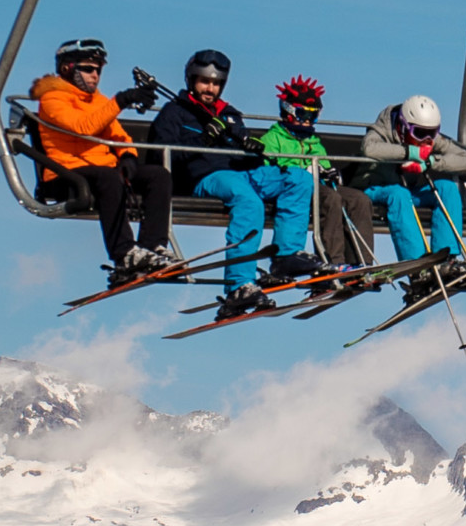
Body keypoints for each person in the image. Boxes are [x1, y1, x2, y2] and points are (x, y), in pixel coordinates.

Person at [149, 50, 321, 317]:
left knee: (298, 178)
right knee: (248, 201)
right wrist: (203, 140)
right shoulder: (175, 113)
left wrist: (250, 146)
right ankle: (240, 283)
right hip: (206, 175)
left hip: (243, 170)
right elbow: (161, 153)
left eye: (216, 83)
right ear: (192, 80)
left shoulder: (228, 114)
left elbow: (242, 140)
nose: (210, 88)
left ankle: (286, 254)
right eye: (204, 82)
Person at [33, 38, 171, 286]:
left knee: (157, 175)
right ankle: (124, 253)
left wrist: (128, 156)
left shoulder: (98, 101)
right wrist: (122, 100)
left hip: (101, 171)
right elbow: (82, 128)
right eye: (88, 69)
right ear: (67, 68)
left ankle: (152, 247)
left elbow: (119, 136)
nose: (95, 75)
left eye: (98, 69)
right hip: (66, 174)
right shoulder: (52, 98)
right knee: (108, 178)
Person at [355, 93, 466, 299]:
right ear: (403, 126)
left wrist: (431, 162)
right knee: (399, 194)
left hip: (407, 192)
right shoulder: (383, 129)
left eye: (432, 133)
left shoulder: (427, 140)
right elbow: (369, 147)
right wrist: (409, 153)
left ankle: (446, 259)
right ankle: (418, 266)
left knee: (446, 188)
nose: (426, 140)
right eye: (419, 133)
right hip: (374, 189)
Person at [257, 76, 376, 269]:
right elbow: (270, 169)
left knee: (358, 199)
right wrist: (304, 169)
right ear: (288, 111)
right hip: (294, 188)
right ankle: (332, 262)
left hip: (318, 185)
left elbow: (325, 166)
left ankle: (361, 263)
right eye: (303, 114)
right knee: (330, 199)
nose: (307, 121)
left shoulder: (314, 141)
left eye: (313, 116)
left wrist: (328, 172)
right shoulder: (273, 139)